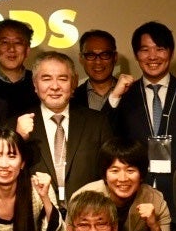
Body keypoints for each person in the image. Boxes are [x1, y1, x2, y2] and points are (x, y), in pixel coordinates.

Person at [107, 21, 176, 201]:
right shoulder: (125, 95)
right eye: (145, 50)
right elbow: (105, 138)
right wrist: (115, 96)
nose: (152, 56)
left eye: (160, 49)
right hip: (134, 195)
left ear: (171, 52)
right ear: (136, 55)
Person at [15, 52, 112, 204]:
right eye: (46, 79)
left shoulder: (98, 123)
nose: (55, 86)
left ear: (73, 83)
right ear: (35, 84)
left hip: (88, 212)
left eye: (62, 79)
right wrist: (18, 139)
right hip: (37, 213)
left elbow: (111, 172)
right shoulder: (16, 126)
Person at [69, 139, 171, 231]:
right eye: (115, 171)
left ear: (141, 174)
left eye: (130, 170)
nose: (123, 179)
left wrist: (153, 225)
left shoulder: (155, 199)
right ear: (105, 174)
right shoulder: (83, 197)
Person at [0, 20, 36, 116]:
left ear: (27, 50)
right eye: (5, 42)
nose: (11, 49)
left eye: (18, 43)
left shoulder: (39, 83)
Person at [74, 31, 131, 113]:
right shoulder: (71, 98)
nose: (98, 62)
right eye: (91, 55)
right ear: (81, 59)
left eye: (105, 55)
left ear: (115, 57)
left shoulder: (132, 93)